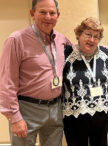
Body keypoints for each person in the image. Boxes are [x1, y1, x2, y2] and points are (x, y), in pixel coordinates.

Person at [0, 0, 70, 146]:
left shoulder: (61, 39)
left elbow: (76, 57)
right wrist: (14, 118)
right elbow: (7, 82)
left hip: (55, 109)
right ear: (32, 13)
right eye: (42, 12)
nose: (48, 17)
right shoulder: (16, 40)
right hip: (27, 110)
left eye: (52, 13)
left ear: (58, 15)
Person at [62, 17, 108, 146]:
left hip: (101, 112)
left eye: (96, 36)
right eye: (88, 34)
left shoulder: (105, 52)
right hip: (75, 114)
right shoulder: (67, 54)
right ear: (79, 34)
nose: (92, 40)